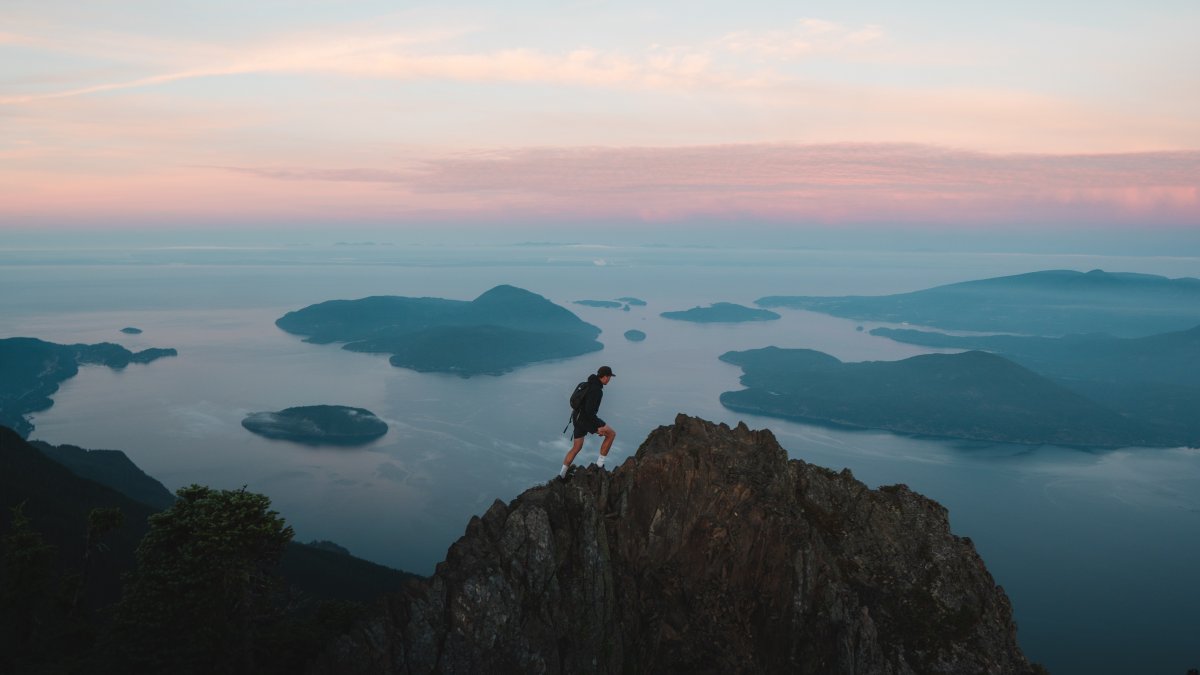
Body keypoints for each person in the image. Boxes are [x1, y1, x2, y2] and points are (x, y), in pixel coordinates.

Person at [559, 366, 616, 479]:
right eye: (609, 377)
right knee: (611, 434)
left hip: (577, 418)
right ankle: (600, 465)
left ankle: (561, 475)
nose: (609, 379)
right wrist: (596, 428)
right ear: (604, 377)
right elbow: (590, 412)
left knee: (576, 447)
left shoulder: (585, 384)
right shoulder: (597, 391)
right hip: (586, 419)